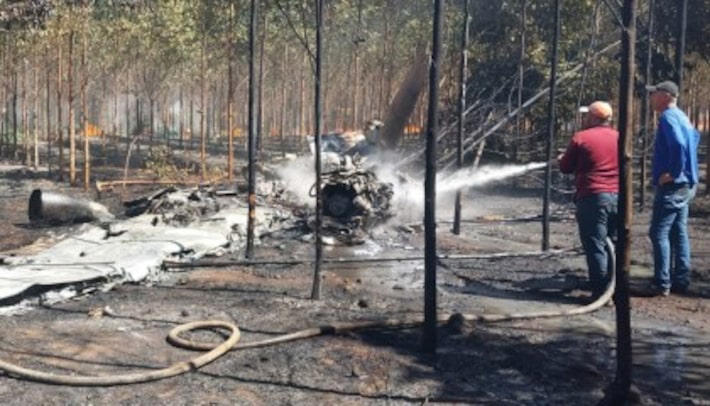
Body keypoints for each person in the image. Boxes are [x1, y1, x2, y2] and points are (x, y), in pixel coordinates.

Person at [558, 101, 619, 298]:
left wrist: (562, 159)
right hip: (619, 198)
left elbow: (566, 167)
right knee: (613, 243)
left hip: (592, 197)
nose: (584, 119)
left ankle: (600, 292)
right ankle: (614, 288)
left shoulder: (581, 137)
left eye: (586, 116)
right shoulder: (619, 137)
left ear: (593, 117)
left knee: (595, 244)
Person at [646, 80, 700, 296]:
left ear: (666, 96)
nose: (651, 98)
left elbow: (679, 144)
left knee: (658, 232)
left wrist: (673, 172)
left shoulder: (668, 117)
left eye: (654, 93)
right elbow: (693, 139)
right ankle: (681, 279)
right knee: (679, 231)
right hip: (687, 183)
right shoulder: (683, 117)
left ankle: (662, 282)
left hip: (674, 185)